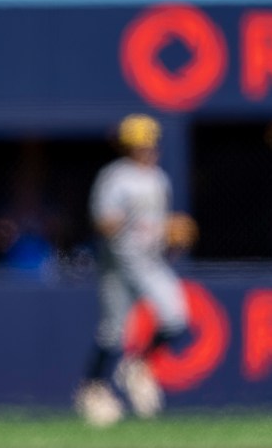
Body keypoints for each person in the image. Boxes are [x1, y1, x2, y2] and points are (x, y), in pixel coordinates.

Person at [74, 114, 193, 427]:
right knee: (112, 332)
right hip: (118, 262)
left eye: (151, 142)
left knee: (176, 318)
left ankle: (137, 365)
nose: (149, 148)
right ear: (129, 146)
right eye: (142, 143)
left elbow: (159, 227)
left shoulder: (158, 178)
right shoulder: (115, 177)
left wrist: (170, 237)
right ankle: (92, 389)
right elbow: (103, 223)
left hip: (149, 261)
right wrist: (125, 220)